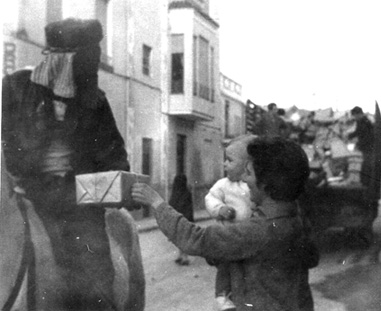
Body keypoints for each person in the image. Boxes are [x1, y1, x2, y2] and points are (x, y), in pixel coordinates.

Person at [2, 18, 130, 310]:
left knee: (93, 274)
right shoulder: (14, 88)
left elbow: (115, 155)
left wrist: (120, 182)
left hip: (77, 203)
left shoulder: (95, 102)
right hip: (29, 196)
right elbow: (7, 145)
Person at [132, 137, 317, 311]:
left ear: (267, 183)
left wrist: (157, 203)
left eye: (249, 173)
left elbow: (195, 238)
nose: (244, 179)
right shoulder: (296, 221)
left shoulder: (258, 230)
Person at [205, 135, 256, 310]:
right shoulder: (223, 185)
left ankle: (245, 299)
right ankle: (222, 296)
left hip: (249, 237)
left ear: (247, 165)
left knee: (247, 271)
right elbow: (210, 198)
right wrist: (220, 209)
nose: (224, 164)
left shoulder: (252, 186)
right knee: (226, 267)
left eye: (229, 160)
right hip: (229, 235)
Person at [169, 174, 194, 266]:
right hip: (183, 219)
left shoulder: (176, 193)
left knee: (181, 239)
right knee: (181, 239)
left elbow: (171, 206)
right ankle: (181, 256)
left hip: (180, 220)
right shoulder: (186, 193)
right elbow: (189, 208)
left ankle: (184, 257)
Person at [347, 106, 374, 186]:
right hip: (365, 146)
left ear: (359, 114)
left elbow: (365, 135)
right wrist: (349, 136)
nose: (354, 118)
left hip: (367, 147)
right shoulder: (361, 121)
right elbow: (358, 132)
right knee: (363, 164)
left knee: (365, 165)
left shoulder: (365, 122)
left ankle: (365, 183)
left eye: (355, 115)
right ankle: (363, 182)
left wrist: (359, 144)